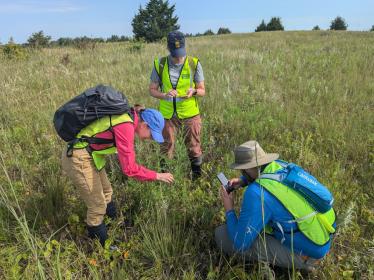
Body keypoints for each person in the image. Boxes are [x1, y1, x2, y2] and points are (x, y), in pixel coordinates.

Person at [61, 105, 174, 246]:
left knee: (107, 191)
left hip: (90, 154)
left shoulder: (129, 118)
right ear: (145, 125)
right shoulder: (126, 127)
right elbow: (130, 169)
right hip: (79, 157)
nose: (149, 139)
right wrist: (157, 175)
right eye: (151, 134)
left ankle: (114, 224)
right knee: (97, 206)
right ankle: (104, 247)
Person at [215, 141, 336, 271]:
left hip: (308, 253)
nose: (242, 173)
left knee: (222, 235)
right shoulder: (281, 165)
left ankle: (304, 262)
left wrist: (229, 209)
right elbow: (271, 179)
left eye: (243, 171)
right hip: (324, 232)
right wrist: (243, 181)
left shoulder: (256, 193)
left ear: (248, 168)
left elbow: (241, 243)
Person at [149, 31, 205, 180]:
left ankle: (197, 180)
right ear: (168, 48)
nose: (178, 56)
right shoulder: (159, 64)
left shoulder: (194, 63)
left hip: (190, 115)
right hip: (167, 116)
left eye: (181, 52)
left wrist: (193, 91)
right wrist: (164, 95)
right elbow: (152, 90)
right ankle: (165, 180)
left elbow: (202, 91)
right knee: (166, 148)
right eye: (175, 53)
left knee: (194, 148)